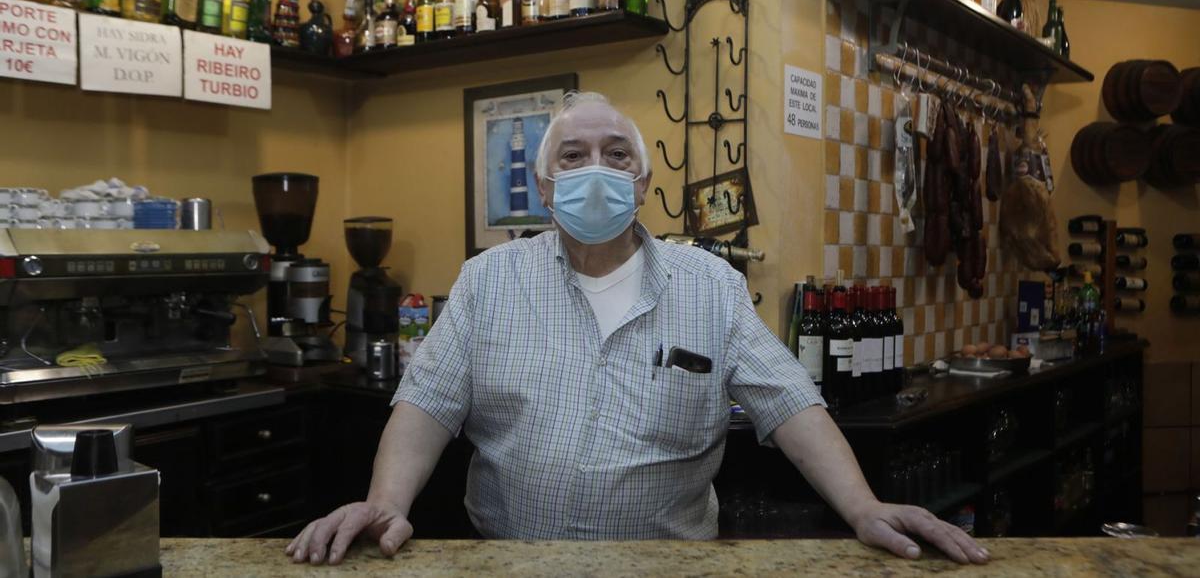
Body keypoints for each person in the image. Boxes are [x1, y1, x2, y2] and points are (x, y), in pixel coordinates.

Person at [287, 92, 989, 566]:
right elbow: (425, 408)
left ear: (644, 183)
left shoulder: (710, 286)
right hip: (510, 564)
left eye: (616, 155)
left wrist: (863, 507)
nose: (597, 170)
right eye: (574, 156)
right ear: (544, 186)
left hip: (671, 567)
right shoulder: (486, 281)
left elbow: (790, 403)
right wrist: (385, 504)